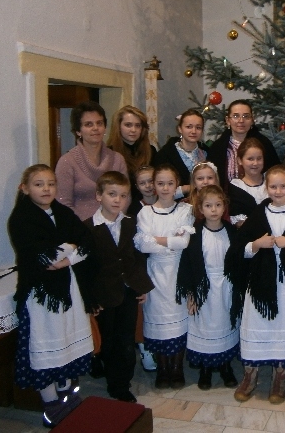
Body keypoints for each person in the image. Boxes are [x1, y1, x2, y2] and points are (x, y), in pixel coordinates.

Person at [8, 164, 97, 428]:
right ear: (25, 188)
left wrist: (67, 259)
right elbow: (42, 257)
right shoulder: (21, 219)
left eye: (50, 184)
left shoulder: (63, 212)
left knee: (67, 341)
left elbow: (88, 242)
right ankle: (51, 405)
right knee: (47, 347)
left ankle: (68, 396)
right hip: (41, 295)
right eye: (39, 184)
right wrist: (71, 246)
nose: (46, 189)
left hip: (68, 289)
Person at [225, 165, 285, 404]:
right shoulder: (259, 213)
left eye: (283, 186)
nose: (278, 191)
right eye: (273, 186)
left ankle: (280, 375)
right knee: (258, 323)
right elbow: (238, 249)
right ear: (266, 188)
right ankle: (250, 375)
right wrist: (257, 244)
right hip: (261, 282)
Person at [84, 171, 154, 403]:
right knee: (108, 340)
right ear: (99, 196)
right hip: (103, 295)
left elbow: (137, 257)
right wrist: (90, 299)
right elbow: (85, 268)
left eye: (123, 196)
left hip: (128, 291)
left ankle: (121, 385)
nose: (118, 200)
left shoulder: (131, 223)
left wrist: (141, 285)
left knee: (125, 340)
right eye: (112, 194)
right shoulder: (88, 228)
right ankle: (104, 366)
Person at [133, 164, 195, 389]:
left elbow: (183, 242)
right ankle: (163, 368)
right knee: (157, 321)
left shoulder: (185, 210)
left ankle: (176, 368)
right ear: (154, 186)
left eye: (170, 183)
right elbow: (142, 245)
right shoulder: (145, 213)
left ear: (177, 185)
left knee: (178, 321)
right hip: (155, 274)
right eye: (160, 183)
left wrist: (156, 239)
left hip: (178, 272)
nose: (165, 188)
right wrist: (169, 240)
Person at [177, 185, 239, 391]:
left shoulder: (231, 231)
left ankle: (225, 367)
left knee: (226, 325)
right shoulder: (195, 234)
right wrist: (191, 293)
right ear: (200, 209)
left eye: (218, 205)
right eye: (208, 205)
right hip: (204, 288)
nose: (213, 210)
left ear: (224, 206)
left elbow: (239, 260)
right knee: (205, 327)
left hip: (226, 287)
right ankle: (205, 369)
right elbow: (188, 265)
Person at [55, 101, 127, 220]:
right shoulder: (67, 162)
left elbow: (126, 196)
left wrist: (111, 222)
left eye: (99, 123)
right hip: (79, 227)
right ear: (78, 131)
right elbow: (63, 204)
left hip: (114, 224)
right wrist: (86, 226)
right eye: (88, 124)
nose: (95, 128)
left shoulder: (117, 159)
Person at [124, 165, 158, 373]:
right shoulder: (134, 210)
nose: (148, 186)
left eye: (151, 181)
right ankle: (145, 346)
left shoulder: (169, 202)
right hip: (142, 262)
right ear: (136, 186)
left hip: (165, 262)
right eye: (142, 183)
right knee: (143, 308)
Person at [207, 99, 280, 191]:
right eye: (236, 116)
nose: (241, 120)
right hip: (225, 198)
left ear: (252, 120)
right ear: (228, 120)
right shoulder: (218, 147)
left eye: (246, 116)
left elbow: (276, 173)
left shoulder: (264, 144)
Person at [153, 108, 208, 199]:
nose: (193, 131)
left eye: (198, 127)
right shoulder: (165, 155)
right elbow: (159, 190)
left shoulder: (207, 153)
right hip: (175, 205)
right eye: (189, 127)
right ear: (180, 129)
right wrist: (186, 189)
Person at [107, 105, 157, 202]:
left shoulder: (151, 151)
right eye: (128, 125)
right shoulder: (109, 154)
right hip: (122, 205)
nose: (133, 130)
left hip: (150, 204)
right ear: (118, 127)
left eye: (138, 125)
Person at [228, 138, 268, 227]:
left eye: (259, 158)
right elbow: (239, 221)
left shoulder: (272, 183)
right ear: (240, 160)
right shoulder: (236, 188)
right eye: (250, 159)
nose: (255, 163)